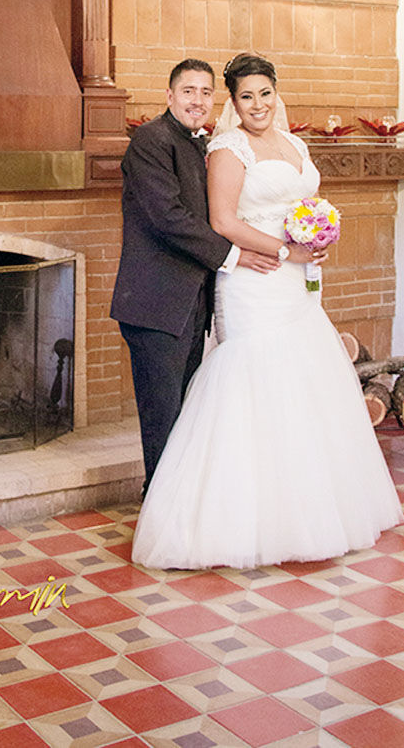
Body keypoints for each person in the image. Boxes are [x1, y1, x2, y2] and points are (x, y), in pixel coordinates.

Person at [132, 52, 403, 569]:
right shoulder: (227, 148)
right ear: (233, 104)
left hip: (297, 285)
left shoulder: (296, 144)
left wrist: (317, 233)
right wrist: (286, 250)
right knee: (253, 383)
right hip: (255, 280)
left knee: (304, 385)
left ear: (277, 93)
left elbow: (307, 204)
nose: (257, 104)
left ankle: (306, 509)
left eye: (264, 93)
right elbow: (222, 221)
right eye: (245, 96)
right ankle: (234, 519)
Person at [110, 58, 282, 496]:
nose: (198, 100)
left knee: (185, 416)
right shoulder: (150, 141)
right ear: (169, 96)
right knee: (163, 419)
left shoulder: (200, 144)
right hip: (155, 305)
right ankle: (159, 514)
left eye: (206, 92)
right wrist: (233, 255)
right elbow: (168, 218)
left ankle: (179, 509)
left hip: (190, 304)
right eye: (189, 91)